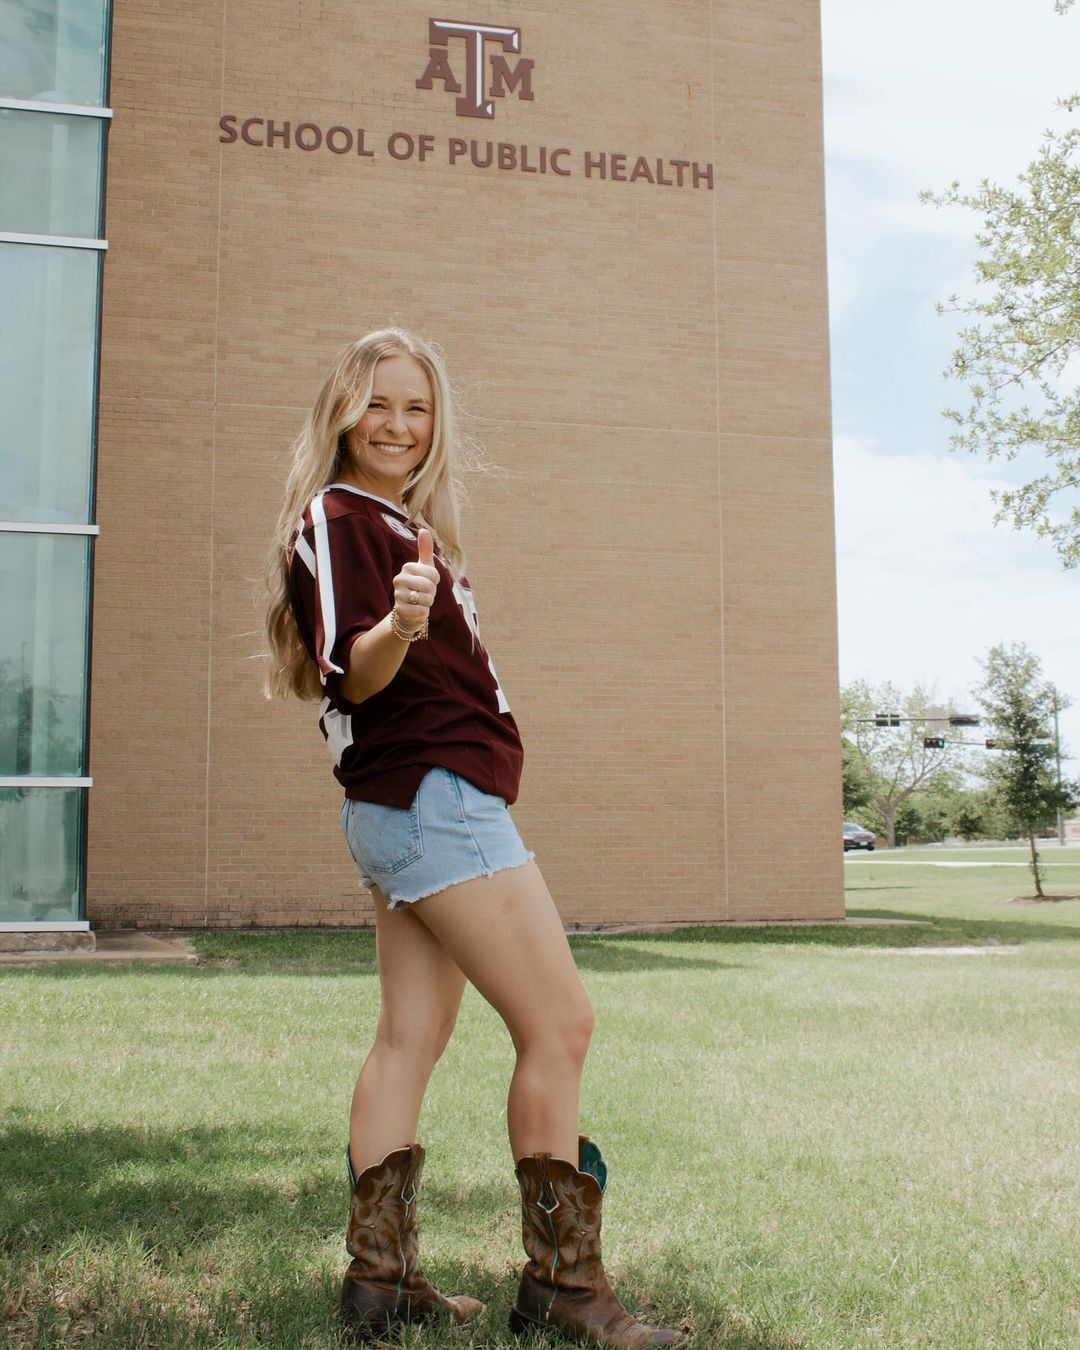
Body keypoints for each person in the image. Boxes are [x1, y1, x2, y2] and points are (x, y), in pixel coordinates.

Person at [264, 327, 685, 1347]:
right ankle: (564, 1293)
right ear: (341, 415)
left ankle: (382, 1287)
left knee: (409, 1038)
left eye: (416, 407)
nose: (397, 424)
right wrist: (402, 626)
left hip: (407, 804)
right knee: (560, 1025)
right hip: (435, 799)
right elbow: (351, 673)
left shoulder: (397, 525)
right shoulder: (340, 516)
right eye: (376, 403)